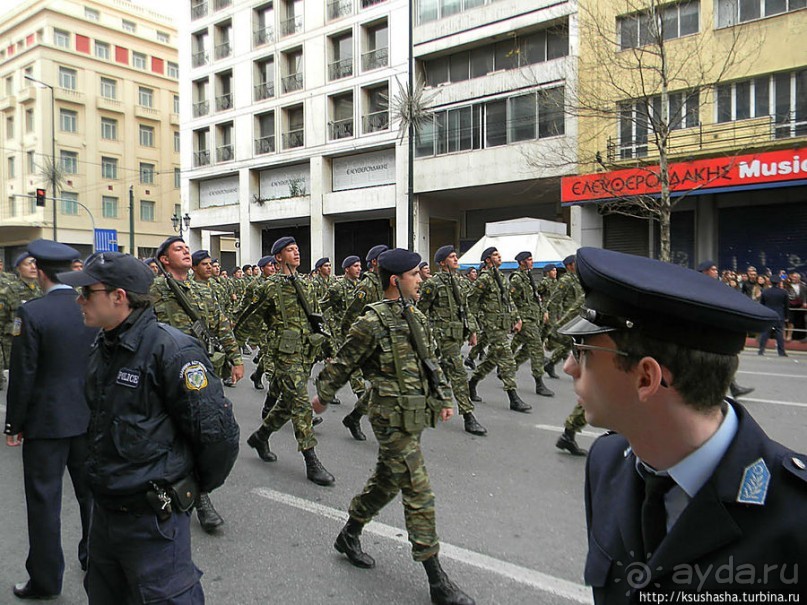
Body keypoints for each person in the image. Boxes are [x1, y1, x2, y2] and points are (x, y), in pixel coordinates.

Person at [560, 247, 804, 602]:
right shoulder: (606, 461)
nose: (569, 366)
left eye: (582, 350)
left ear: (646, 378)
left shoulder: (796, 514)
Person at [57, 252, 239, 604]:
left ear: (118, 297)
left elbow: (217, 438)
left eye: (86, 293)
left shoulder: (172, 350)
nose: (78, 300)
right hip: (106, 512)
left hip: (153, 520)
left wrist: (184, 488)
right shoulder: (104, 345)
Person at [312, 248, 475, 605]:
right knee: (418, 489)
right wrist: (322, 396)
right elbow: (343, 362)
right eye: (415, 275)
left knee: (387, 480)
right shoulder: (371, 321)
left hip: (415, 411)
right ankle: (437, 578)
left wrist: (444, 397)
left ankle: (349, 534)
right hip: (388, 415)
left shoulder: (414, 314)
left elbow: (430, 360)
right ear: (395, 281)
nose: (420, 279)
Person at [4, 240, 95, 600]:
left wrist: (14, 424)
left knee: (44, 503)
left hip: (46, 423)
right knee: (92, 497)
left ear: (40, 272)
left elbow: (23, 376)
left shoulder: (32, 313)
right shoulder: (89, 307)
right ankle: (94, 559)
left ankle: (45, 579)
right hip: (88, 418)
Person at [151, 236, 243, 532]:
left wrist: (236, 357)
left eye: (186, 248)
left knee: (203, 433)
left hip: (201, 373)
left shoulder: (203, 291)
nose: (185, 252)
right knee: (167, 435)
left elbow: (221, 324)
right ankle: (180, 494)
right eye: (178, 249)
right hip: (164, 374)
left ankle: (200, 494)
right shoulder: (153, 292)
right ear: (164, 259)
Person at [238, 236, 335, 486]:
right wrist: (231, 351)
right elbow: (248, 318)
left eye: (297, 248)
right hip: (284, 354)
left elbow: (318, 318)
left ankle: (261, 437)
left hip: (306, 352)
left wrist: (329, 346)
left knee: (286, 403)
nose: (296, 252)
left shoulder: (307, 285)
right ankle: (311, 460)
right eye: (290, 250)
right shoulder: (269, 287)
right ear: (278, 257)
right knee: (301, 404)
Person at [418, 245, 487, 436]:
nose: (456, 259)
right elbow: (420, 310)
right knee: (458, 373)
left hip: (458, 334)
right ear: (442, 263)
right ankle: (468, 416)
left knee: (441, 371)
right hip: (443, 336)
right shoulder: (433, 284)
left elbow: (466, 309)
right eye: (452, 257)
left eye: (456, 256)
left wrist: (472, 331)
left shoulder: (461, 282)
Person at [467, 247, 531, 413]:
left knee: (493, 359)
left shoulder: (501, 277)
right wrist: (473, 326)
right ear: (488, 260)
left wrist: (517, 318)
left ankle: (472, 383)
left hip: (503, 324)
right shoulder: (485, 279)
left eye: (499, 254)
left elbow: (508, 300)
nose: (499, 256)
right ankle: (513, 397)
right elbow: (471, 302)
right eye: (495, 255)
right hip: (491, 325)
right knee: (507, 359)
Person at [696, 260, 755, 399]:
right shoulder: (700, 285)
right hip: (704, 327)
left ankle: (731, 386)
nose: (716, 271)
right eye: (713, 269)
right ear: (705, 271)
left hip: (714, 327)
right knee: (715, 358)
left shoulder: (714, 285)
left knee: (723, 356)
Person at [509, 251, 554, 398]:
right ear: (522, 262)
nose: (531, 261)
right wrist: (517, 319)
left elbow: (536, 298)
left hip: (534, 318)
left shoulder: (529, 277)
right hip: (525, 319)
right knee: (537, 349)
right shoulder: (516, 279)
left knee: (527, 350)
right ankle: (539, 383)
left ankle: (508, 370)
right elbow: (511, 301)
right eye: (529, 259)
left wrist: (543, 312)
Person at [0, 252, 42, 391]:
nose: (33, 267)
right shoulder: (8, 291)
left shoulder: (43, 289)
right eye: (28, 264)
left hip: (39, 344)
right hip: (15, 346)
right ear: (18, 268)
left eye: (35, 263)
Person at [758, 275, 788, 356]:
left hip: (768, 313)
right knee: (779, 333)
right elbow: (786, 305)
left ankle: (761, 350)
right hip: (779, 314)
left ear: (770, 282)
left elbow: (762, 304)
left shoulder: (765, 291)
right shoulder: (784, 292)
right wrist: (786, 316)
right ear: (779, 283)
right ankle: (781, 352)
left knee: (765, 332)